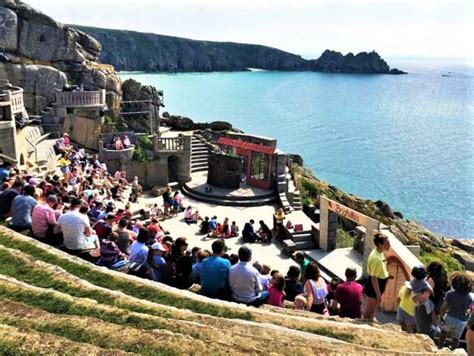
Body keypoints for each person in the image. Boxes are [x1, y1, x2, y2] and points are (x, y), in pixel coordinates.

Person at [438, 272, 473, 350]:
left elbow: (443, 308)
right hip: (461, 321)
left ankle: (440, 347)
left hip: (449, 317)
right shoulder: (469, 298)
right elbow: (471, 310)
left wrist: (441, 317)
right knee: (456, 339)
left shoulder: (450, 294)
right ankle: (453, 350)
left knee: (443, 332)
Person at [362, 232, 390, 321]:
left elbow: (380, 269)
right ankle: (366, 321)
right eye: (387, 243)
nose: (389, 245)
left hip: (379, 283)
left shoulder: (379, 252)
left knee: (374, 306)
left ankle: (372, 318)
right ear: (379, 244)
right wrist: (378, 294)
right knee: (369, 309)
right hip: (375, 286)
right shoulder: (376, 258)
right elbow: (374, 278)